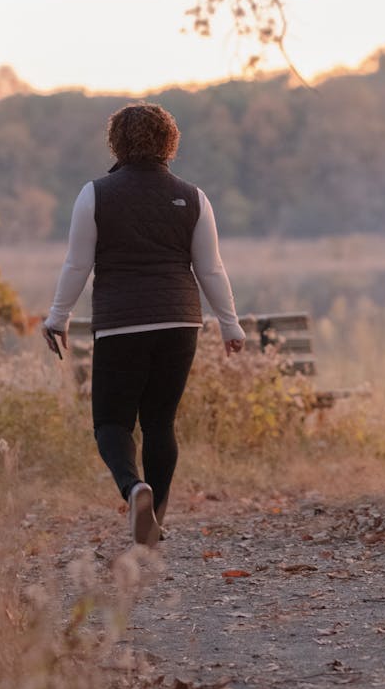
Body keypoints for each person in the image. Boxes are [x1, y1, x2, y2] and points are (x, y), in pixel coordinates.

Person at [43, 102, 246, 547]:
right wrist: (230, 325)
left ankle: (134, 489)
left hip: (121, 324)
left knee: (112, 423)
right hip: (179, 322)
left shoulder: (95, 194)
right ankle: (153, 519)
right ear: (169, 142)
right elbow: (210, 269)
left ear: (115, 141)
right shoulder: (194, 197)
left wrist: (58, 316)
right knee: (160, 422)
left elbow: (77, 264)